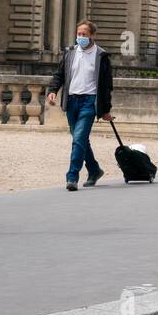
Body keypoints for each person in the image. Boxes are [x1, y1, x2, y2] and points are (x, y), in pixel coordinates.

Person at [46, 20, 114, 192]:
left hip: (89, 102)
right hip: (71, 101)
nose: (81, 37)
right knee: (81, 140)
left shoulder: (101, 56)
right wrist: (53, 90)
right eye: (79, 34)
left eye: (84, 34)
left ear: (93, 35)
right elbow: (60, 74)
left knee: (78, 139)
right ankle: (94, 170)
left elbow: (107, 85)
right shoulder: (70, 52)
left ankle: (72, 177)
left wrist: (106, 109)